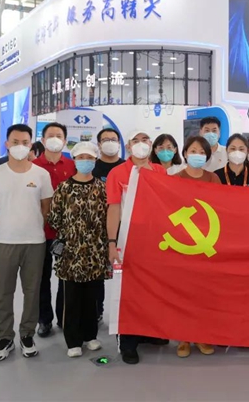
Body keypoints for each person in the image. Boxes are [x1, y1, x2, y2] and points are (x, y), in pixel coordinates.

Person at [0, 124, 54, 362]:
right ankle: (5, 337)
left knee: (32, 292)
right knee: (4, 292)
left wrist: (31, 225)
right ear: (7, 144)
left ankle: (27, 335)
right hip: (5, 241)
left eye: (24, 142)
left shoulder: (41, 175)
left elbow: (45, 208)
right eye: (15, 142)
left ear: (31, 145)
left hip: (35, 242)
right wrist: (7, 225)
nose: (19, 146)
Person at [106, 129, 168, 365]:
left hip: (155, 240)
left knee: (152, 287)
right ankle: (128, 342)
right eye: (136, 140)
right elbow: (113, 208)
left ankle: (148, 331)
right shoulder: (117, 173)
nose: (141, 144)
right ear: (128, 146)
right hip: (127, 238)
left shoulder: (160, 171)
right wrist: (112, 243)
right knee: (128, 290)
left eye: (145, 140)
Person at [48, 142, 108, 358]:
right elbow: (54, 218)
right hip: (70, 253)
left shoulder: (101, 188)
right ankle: (73, 340)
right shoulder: (64, 188)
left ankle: (90, 336)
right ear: (74, 160)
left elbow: (108, 218)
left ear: (95, 160)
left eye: (89, 157)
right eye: (81, 157)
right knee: (71, 298)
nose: (85, 161)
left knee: (92, 296)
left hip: (95, 251)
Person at [173, 135, 220, 358]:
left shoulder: (213, 178)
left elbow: (223, 207)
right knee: (183, 292)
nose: (197, 155)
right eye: (193, 151)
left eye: (202, 152)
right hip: (184, 244)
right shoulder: (175, 179)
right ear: (185, 153)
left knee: (204, 293)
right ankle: (183, 338)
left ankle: (202, 335)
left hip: (208, 241)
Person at [33, 122, 76, 338]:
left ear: (65, 141)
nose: (55, 139)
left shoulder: (72, 165)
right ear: (42, 140)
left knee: (66, 278)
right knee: (41, 278)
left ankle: (64, 317)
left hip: (66, 232)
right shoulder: (33, 166)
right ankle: (44, 319)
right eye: (51, 135)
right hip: (39, 231)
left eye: (59, 135)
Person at [91, 128, 124, 325]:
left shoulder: (125, 168)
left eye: (113, 139)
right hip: (96, 230)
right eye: (105, 140)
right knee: (97, 275)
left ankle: (124, 314)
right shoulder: (92, 168)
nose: (110, 142)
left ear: (119, 143)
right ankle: (97, 311)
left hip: (123, 230)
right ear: (99, 144)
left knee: (123, 275)